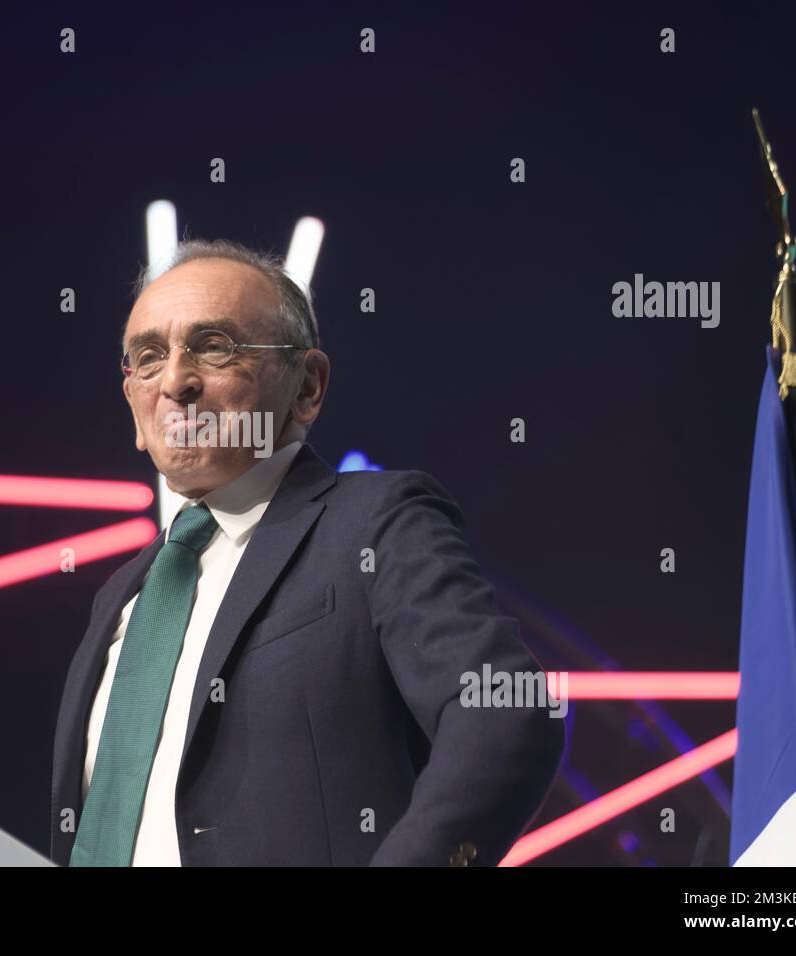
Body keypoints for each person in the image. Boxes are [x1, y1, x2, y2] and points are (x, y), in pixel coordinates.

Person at [51, 238, 564, 865]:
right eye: (149, 357)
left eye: (215, 347)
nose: (177, 380)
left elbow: (506, 709)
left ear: (308, 387)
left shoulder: (374, 524)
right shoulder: (120, 598)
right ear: (134, 404)